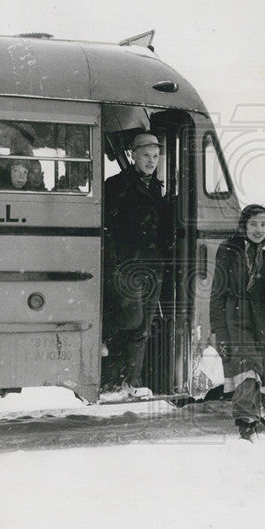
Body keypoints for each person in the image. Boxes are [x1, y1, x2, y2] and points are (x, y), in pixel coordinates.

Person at [210, 204, 265, 441]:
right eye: (253, 224)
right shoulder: (229, 249)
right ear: (243, 225)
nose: (258, 229)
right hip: (238, 316)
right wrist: (216, 327)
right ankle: (246, 424)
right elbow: (218, 291)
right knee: (248, 366)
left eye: (263, 224)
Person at [102, 131, 172, 394]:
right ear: (133, 155)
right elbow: (108, 229)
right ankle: (110, 378)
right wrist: (117, 262)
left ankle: (132, 381)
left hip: (152, 267)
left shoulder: (156, 187)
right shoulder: (116, 185)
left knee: (142, 329)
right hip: (127, 267)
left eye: (155, 156)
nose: (151, 161)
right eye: (145, 155)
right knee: (130, 320)